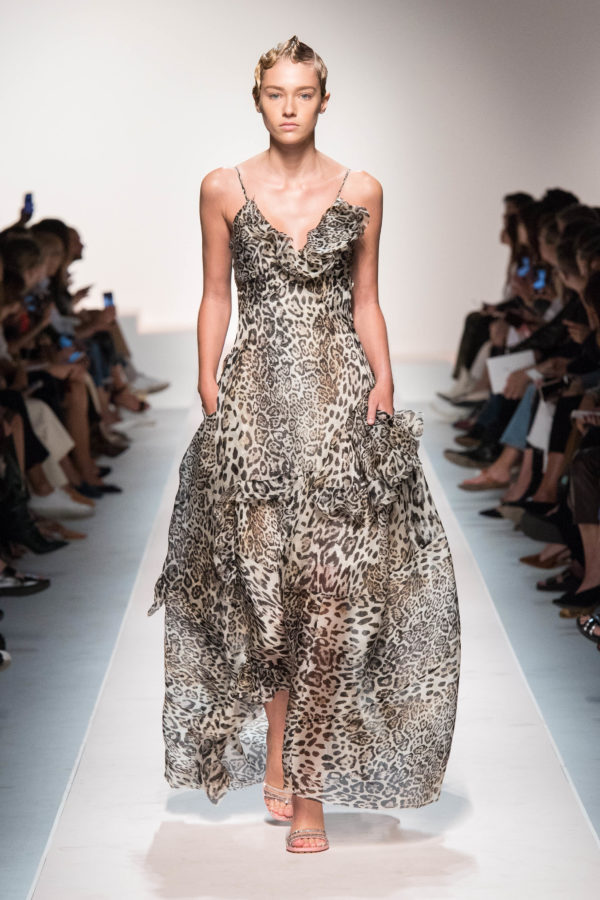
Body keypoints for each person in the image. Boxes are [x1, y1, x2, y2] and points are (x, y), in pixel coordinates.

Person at [148, 34, 461, 854]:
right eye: (275, 93)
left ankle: (312, 790)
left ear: (324, 100)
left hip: (337, 410)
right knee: (267, 600)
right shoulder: (223, 187)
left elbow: (366, 299)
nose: (289, 107)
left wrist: (384, 381)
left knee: (330, 600)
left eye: (303, 93)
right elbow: (216, 293)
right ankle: (278, 756)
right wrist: (207, 379)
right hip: (254, 410)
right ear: (259, 100)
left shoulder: (363, 189)